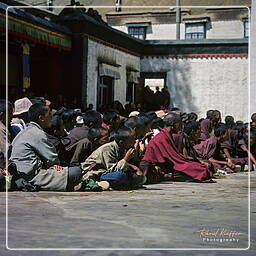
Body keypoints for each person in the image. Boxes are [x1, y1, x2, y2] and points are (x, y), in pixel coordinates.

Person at [10, 102, 83, 191]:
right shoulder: (38, 134)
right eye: (49, 114)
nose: (51, 117)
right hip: (32, 177)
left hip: (22, 174)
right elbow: (53, 159)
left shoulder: (25, 132)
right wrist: (55, 166)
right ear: (41, 118)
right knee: (76, 172)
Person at [140, 113, 214, 184]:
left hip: (169, 165)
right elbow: (173, 159)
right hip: (160, 167)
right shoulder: (161, 138)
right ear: (174, 124)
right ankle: (169, 176)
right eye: (179, 123)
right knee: (199, 169)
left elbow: (176, 156)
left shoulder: (169, 135)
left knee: (199, 167)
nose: (181, 126)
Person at [80, 127, 146, 189]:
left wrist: (134, 167)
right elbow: (112, 169)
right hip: (97, 173)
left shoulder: (123, 147)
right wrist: (126, 159)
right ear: (121, 142)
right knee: (120, 176)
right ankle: (98, 183)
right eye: (132, 140)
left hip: (108, 172)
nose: (134, 141)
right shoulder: (107, 149)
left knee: (140, 177)